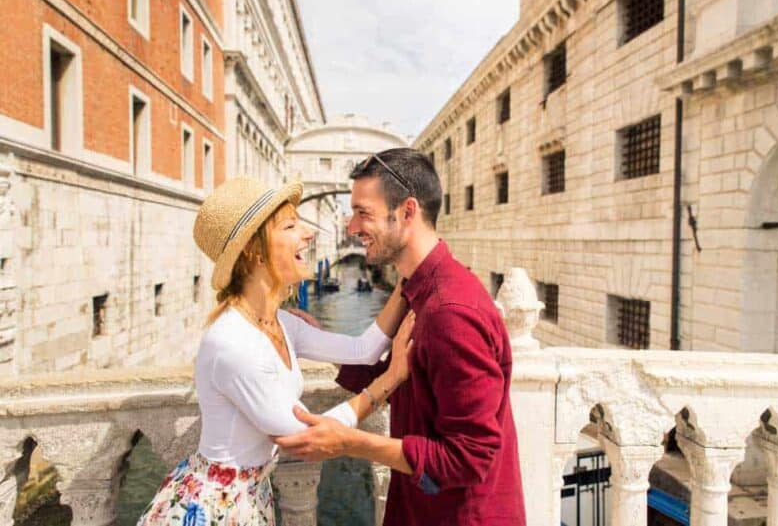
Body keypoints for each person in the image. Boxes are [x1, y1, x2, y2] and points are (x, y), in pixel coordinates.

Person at [137, 177, 414, 525]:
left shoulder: (281, 321)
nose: (308, 233)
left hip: (249, 497)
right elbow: (305, 439)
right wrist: (391, 379)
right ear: (254, 250)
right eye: (290, 225)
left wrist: (408, 274)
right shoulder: (232, 342)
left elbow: (364, 349)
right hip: (211, 509)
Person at [274, 148, 526, 525]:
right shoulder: (418, 290)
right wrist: (323, 341)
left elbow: (470, 457)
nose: (352, 227)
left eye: (364, 213)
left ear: (407, 212)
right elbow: (403, 378)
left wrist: (349, 442)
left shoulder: (450, 313)